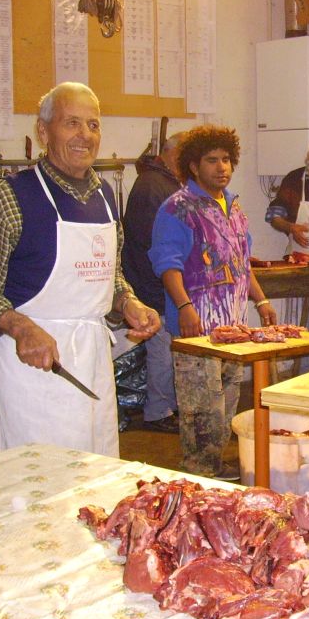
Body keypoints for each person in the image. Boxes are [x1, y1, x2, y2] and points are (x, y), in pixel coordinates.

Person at [0, 82, 160, 456]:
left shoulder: (105, 196)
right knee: (43, 475)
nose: (85, 135)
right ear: (43, 131)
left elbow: (109, 274)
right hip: (34, 365)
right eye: (72, 123)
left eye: (93, 125)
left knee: (97, 469)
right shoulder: (8, 196)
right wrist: (22, 328)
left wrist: (127, 302)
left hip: (93, 360)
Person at [149, 125, 277, 480]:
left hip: (233, 329)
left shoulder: (234, 207)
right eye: (211, 160)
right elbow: (167, 264)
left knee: (227, 401)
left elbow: (241, 263)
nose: (222, 167)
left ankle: (215, 465)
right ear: (193, 166)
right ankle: (199, 472)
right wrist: (184, 307)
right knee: (201, 408)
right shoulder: (177, 208)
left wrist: (262, 301)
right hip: (197, 329)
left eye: (226, 159)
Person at [121, 133, 186, 434]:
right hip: (152, 282)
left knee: (168, 348)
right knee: (162, 350)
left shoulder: (165, 183)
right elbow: (152, 242)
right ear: (175, 155)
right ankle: (158, 412)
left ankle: (167, 406)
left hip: (160, 280)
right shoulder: (152, 186)